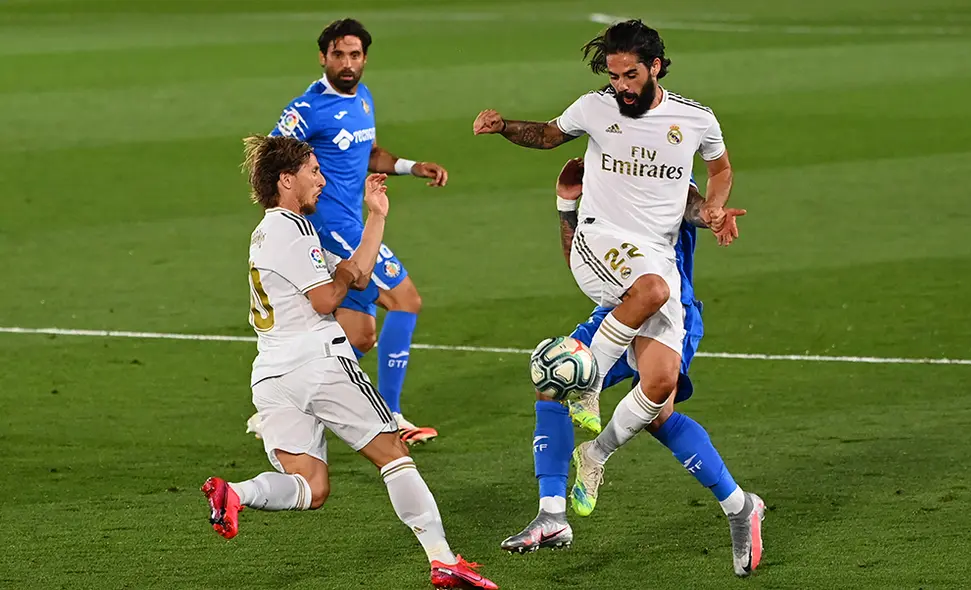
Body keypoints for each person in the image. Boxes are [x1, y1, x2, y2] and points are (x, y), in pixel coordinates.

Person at [475, 20, 765, 576]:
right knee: (558, 381)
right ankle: (552, 513)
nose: (621, 87)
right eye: (613, 76)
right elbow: (548, 135)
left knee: (657, 399)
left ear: (655, 67)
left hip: (655, 282)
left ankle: (736, 505)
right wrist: (504, 126)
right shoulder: (595, 110)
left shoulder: (692, 122)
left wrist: (713, 210)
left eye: (630, 75)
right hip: (617, 264)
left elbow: (716, 173)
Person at [201, 135, 497, 590]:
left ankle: (235, 493)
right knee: (393, 453)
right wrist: (339, 276)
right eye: (313, 171)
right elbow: (327, 299)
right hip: (317, 364)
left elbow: (357, 274)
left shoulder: (271, 233)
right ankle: (443, 559)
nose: (322, 180)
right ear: (286, 180)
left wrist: (376, 215)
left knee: (311, 486)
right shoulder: (292, 231)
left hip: (272, 375)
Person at [271, 18, 444, 444]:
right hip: (331, 227)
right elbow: (271, 160)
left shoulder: (363, 98)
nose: (347, 64)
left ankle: (284, 404)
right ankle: (390, 416)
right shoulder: (307, 109)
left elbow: (367, 153)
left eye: (354, 55)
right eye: (338, 55)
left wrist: (412, 167)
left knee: (360, 337)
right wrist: (288, 223)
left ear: (365, 58)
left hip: (351, 222)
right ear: (323, 57)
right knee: (405, 300)